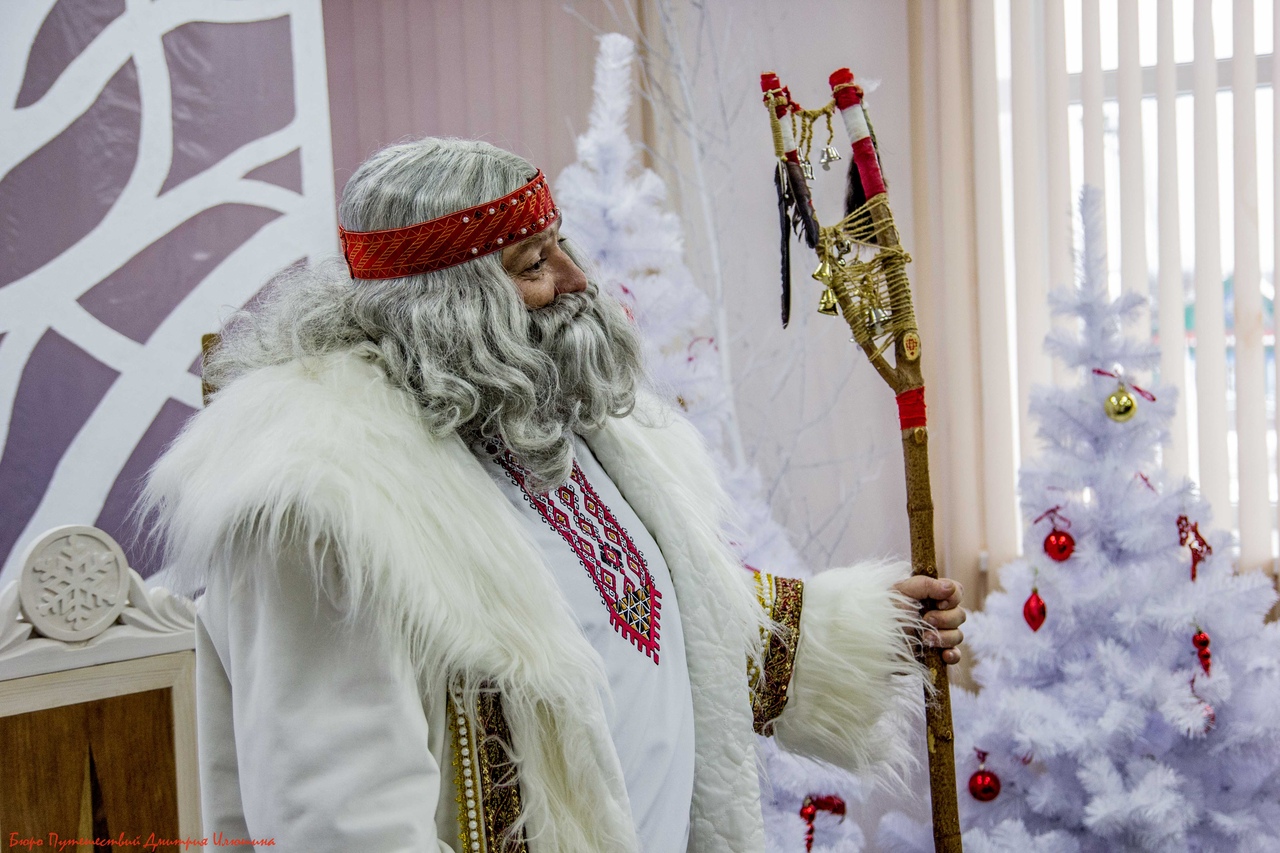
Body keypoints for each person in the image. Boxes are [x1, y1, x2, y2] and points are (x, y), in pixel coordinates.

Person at [145, 137, 965, 853]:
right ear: (446, 305)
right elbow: (338, 818)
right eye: (534, 264)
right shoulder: (319, 507)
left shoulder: (565, 426)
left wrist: (871, 626)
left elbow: (662, 625)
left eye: (560, 247)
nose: (578, 279)